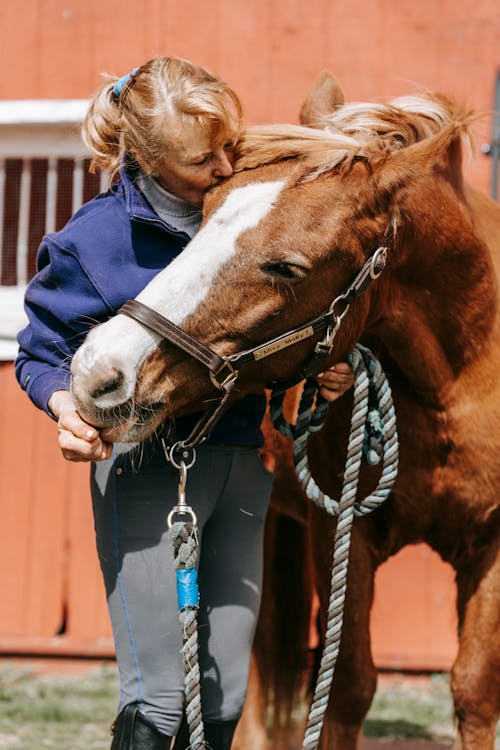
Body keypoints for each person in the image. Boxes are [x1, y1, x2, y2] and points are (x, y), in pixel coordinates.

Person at [15, 56, 354, 750]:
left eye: (233, 142)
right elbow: (39, 351)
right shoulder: (95, 241)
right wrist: (65, 410)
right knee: (159, 702)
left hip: (243, 461)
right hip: (147, 471)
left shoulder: (245, 215)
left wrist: (322, 368)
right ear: (143, 157)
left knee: (225, 691)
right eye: (204, 158)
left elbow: (272, 325)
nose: (228, 166)